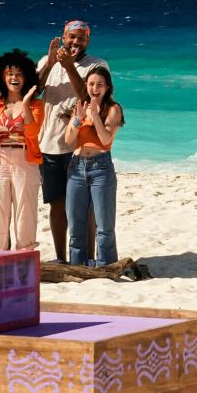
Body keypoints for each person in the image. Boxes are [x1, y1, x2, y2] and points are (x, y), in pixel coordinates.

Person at [37, 20, 108, 262]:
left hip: (82, 147)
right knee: (57, 205)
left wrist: (68, 67)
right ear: (63, 37)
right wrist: (50, 63)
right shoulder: (48, 61)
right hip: (49, 144)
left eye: (81, 38)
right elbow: (33, 89)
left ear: (88, 41)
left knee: (83, 207)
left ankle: (86, 258)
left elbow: (89, 96)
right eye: (72, 37)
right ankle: (61, 258)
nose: (76, 42)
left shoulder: (97, 65)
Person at [0, 49, 44, 252]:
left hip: (25, 161)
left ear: (26, 77)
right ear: (2, 76)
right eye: (9, 74)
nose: (14, 78)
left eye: (18, 74)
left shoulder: (36, 104)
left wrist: (25, 104)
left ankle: (24, 257)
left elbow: (33, 132)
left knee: (25, 214)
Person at [63, 66, 125, 267]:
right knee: (75, 225)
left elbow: (106, 139)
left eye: (100, 84)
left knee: (104, 226)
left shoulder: (113, 109)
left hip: (101, 168)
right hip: (77, 166)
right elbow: (68, 140)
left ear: (107, 87)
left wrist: (96, 115)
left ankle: (106, 266)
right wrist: (79, 119)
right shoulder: (79, 107)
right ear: (86, 86)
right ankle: (78, 267)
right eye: (91, 84)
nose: (95, 88)